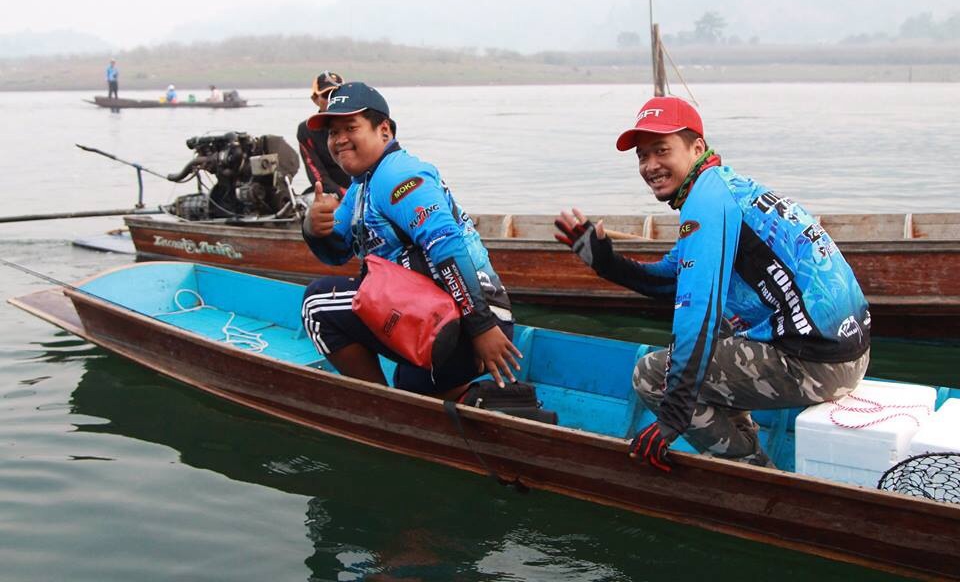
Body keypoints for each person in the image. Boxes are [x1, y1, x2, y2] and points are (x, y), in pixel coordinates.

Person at [554, 96, 871, 471]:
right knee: (718, 333)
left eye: (662, 150)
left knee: (653, 374)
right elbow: (669, 282)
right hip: (846, 351)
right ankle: (743, 437)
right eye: (642, 156)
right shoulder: (723, 189)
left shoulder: (706, 203)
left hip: (818, 363)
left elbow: (697, 314)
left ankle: (751, 471)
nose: (650, 165)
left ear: (697, 147)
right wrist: (605, 261)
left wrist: (674, 413)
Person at [300, 82, 519, 397]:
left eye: (351, 127)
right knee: (411, 386)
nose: (339, 140)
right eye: (333, 133)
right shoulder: (361, 187)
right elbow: (336, 252)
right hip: (440, 324)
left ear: (384, 130)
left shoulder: (397, 175)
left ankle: (382, 404)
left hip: (470, 325)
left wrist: (481, 327)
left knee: (316, 304)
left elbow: (448, 246)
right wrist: (313, 228)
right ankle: (452, 398)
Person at [296, 71, 351, 196]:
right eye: (327, 95)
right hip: (332, 193)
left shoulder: (360, 123)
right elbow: (317, 174)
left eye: (336, 94)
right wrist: (345, 195)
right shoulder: (306, 130)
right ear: (315, 99)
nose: (332, 100)